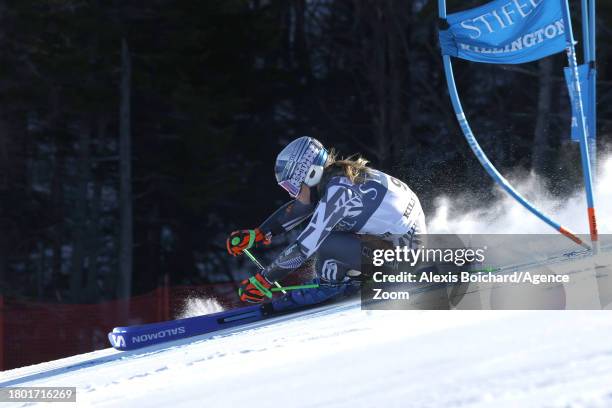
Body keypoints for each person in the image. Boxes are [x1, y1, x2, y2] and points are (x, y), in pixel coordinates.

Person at [227, 136, 426, 310]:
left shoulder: (338, 192)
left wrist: (264, 280)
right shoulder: (338, 178)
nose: (291, 193)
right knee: (331, 234)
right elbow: (303, 207)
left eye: (292, 186)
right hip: (405, 248)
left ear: (311, 174)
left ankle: (330, 289)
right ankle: (351, 280)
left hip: (404, 259)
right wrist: (260, 234)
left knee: (325, 241)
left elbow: (304, 246)